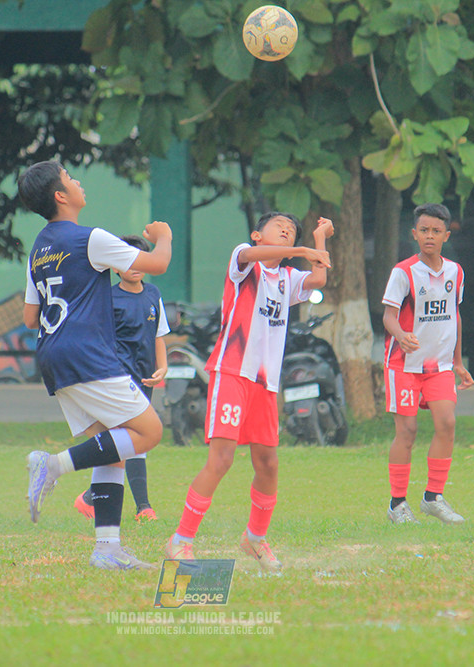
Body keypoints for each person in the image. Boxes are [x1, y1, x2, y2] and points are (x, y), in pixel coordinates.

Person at [18, 160, 172, 570]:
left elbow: (30, 318)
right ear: (60, 196)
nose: (78, 181)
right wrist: (164, 237)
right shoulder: (90, 238)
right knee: (149, 432)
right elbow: (156, 265)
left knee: (112, 451)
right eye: (70, 178)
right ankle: (52, 466)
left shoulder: (39, 247)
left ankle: (107, 548)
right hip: (86, 355)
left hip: (53, 356)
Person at [164, 212, 334, 574]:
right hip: (232, 373)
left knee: (268, 464)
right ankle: (180, 541)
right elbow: (248, 256)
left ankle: (255, 538)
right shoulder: (244, 261)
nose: (287, 230)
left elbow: (319, 277)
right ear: (258, 235)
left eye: (291, 231)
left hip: (265, 383)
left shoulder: (286, 279)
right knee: (222, 459)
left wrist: (320, 238)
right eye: (279, 227)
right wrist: (302, 247)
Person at [381, 203, 474, 525]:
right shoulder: (403, 272)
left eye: (436, 231)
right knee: (406, 431)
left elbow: (454, 315)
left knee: (446, 423)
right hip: (403, 365)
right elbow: (389, 316)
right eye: (424, 230)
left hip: (439, 366)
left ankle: (433, 497)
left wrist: (458, 361)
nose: (429, 236)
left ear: (446, 235)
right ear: (415, 234)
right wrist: (401, 334)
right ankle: (397, 505)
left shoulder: (455, 272)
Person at [73, 235, 169, 523]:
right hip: (117, 379)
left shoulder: (153, 294)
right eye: (128, 259)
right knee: (133, 439)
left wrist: (162, 367)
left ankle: (91, 497)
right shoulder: (108, 298)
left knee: (129, 441)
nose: (135, 265)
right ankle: (144, 508)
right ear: (116, 266)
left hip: (145, 378)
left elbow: (159, 335)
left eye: (142, 258)